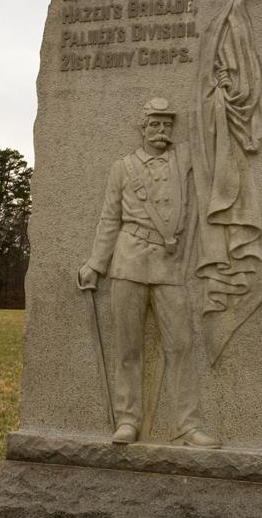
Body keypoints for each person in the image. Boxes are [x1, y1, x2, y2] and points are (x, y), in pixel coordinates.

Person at [78, 97, 220, 448]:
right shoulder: (122, 168)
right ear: (142, 128)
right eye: (154, 125)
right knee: (128, 347)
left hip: (168, 265)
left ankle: (187, 426)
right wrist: (96, 264)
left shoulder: (182, 158)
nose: (161, 131)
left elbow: (211, 133)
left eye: (167, 125)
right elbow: (109, 219)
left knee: (182, 344)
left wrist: (219, 90)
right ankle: (128, 420)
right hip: (128, 263)